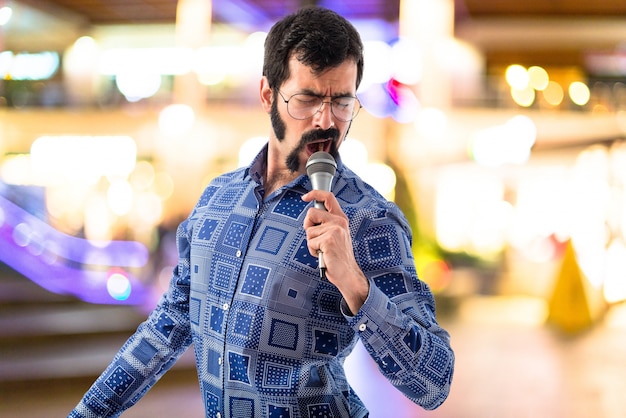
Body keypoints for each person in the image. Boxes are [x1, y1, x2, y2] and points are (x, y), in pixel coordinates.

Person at [69, 6, 454, 418]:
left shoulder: (367, 218)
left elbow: (434, 382)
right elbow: (166, 327)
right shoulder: (217, 200)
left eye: (342, 103)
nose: (326, 120)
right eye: (307, 99)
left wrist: (356, 287)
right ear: (268, 94)